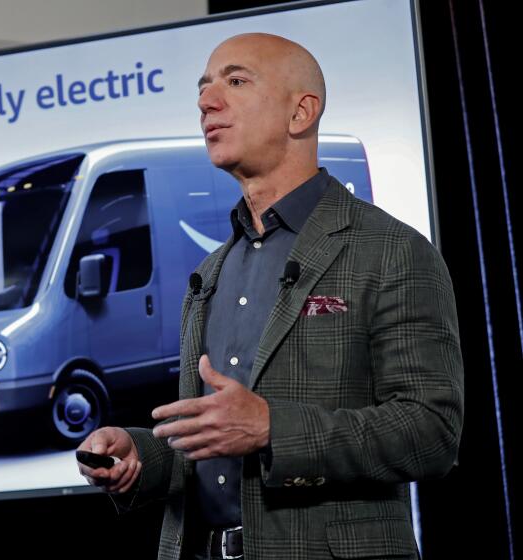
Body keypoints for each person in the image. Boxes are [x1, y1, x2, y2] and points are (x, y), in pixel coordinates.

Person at [77, 32, 464, 560]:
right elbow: (207, 454)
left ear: (301, 112)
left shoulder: (391, 251)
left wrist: (271, 428)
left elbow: (432, 431)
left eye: (235, 81)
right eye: (204, 88)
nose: (207, 102)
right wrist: (138, 456)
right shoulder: (209, 274)